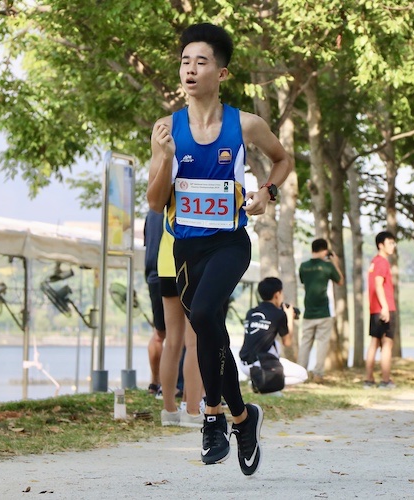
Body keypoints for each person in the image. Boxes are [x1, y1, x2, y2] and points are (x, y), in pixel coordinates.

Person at [146, 23, 293, 476]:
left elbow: (284, 160)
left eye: (201, 62)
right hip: (186, 250)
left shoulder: (245, 124)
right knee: (210, 332)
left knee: (206, 318)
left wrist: (267, 191)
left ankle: (212, 415)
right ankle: (243, 420)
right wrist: (166, 160)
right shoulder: (166, 129)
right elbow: (154, 202)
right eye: (185, 62)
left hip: (231, 243)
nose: (190, 70)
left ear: (222, 73)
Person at [157, 227, 203, 427]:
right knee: (194, 342)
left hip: (167, 262)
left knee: (172, 341)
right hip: (194, 260)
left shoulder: (167, 194)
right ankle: (192, 411)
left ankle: (169, 410)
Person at [239, 277, 308, 394]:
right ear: (277, 294)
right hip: (261, 364)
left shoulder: (250, 312)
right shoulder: (279, 314)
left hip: (243, 363)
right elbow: (287, 343)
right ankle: (263, 382)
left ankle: (259, 380)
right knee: (302, 375)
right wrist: (289, 318)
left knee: (273, 343)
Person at [297, 239, 343, 383]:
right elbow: (340, 281)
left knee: (305, 344)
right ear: (325, 251)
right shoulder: (328, 266)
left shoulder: (303, 266)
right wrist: (335, 263)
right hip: (324, 312)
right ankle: (318, 374)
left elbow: (304, 282)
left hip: (308, 311)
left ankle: (300, 374)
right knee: (322, 344)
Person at [364, 231, 397, 389]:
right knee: (387, 344)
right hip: (384, 308)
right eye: (390, 243)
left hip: (374, 309)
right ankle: (385, 381)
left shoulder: (374, 262)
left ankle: (369, 380)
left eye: (393, 243)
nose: (393, 246)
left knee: (374, 343)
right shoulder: (382, 262)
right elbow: (378, 284)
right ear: (381, 245)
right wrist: (385, 307)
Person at [144, 209, 167, 395]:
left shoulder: (151, 213)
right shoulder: (177, 205)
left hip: (153, 275)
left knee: (159, 333)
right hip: (172, 273)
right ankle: (178, 387)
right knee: (182, 335)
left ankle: (154, 383)